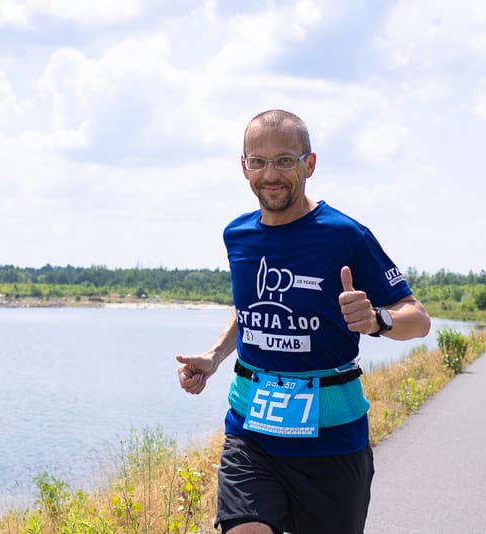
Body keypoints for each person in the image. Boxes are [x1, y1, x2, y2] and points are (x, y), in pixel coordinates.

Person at [176, 109, 431, 534]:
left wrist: (376, 319)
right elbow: (250, 308)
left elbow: (417, 319)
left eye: (284, 160)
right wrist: (216, 355)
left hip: (331, 444)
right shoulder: (237, 235)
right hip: (251, 435)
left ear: (309, 164)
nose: (270, 174)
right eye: (258, 161)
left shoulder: (345, 235)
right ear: (244, 167)